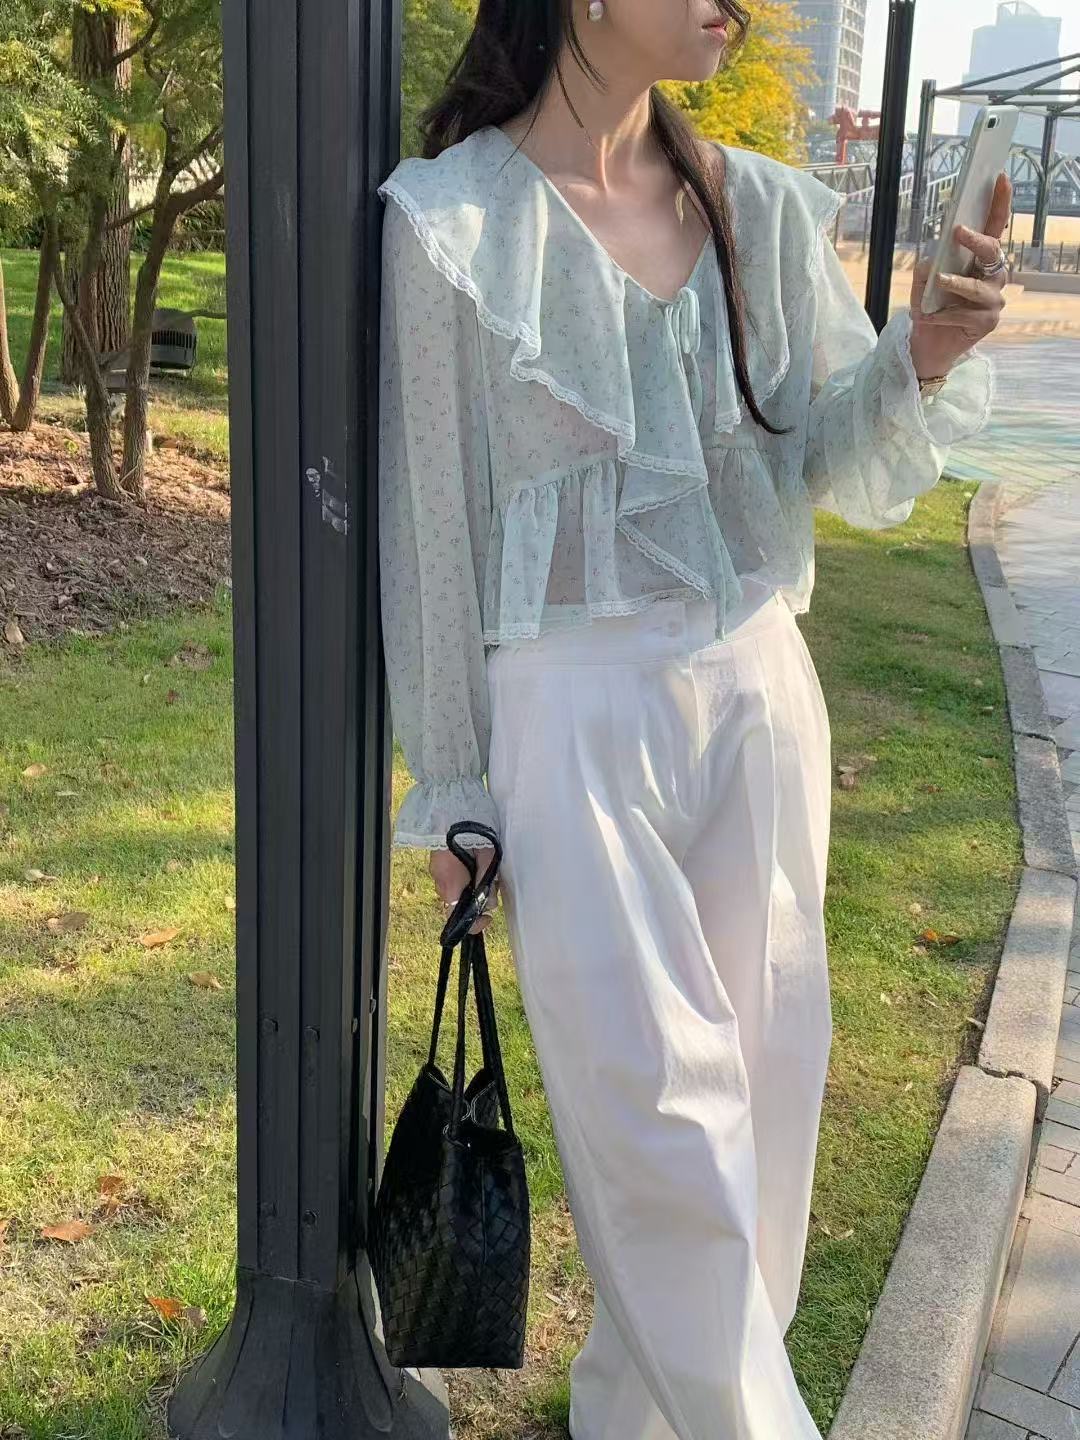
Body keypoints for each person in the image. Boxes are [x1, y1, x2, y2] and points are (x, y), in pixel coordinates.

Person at [375, 3, 1011, 1437]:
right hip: (570, 715)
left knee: (768, 1100)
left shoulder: (760, 213)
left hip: (758, 694)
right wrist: (455, 785)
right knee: (656, 1123)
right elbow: (433, 534)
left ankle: (639, 1411)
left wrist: (920, 353)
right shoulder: (450, 225)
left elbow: (811, 462)